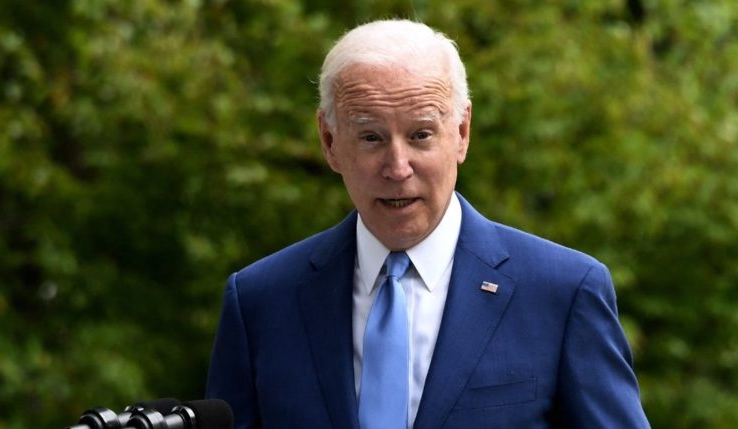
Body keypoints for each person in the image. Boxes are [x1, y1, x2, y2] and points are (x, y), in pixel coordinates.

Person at [206, 19, 650, 429]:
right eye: (371, 137)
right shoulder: (261, 302)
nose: (397, 167)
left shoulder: (563, 292)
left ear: (461, 132)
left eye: (420, 134)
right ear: (329, 141)